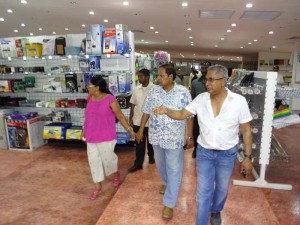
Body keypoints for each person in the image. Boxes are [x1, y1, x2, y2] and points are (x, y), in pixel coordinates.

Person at [153, 65, 253, 225]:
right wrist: (166, 110)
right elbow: (181, 114)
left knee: (221, 189)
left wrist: (247, 157)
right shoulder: (201, 99)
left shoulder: (238, 101)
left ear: (224, 81)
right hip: (205, 153)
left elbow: (247, 130)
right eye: (206, 79)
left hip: (227, 154)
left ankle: (216, 210)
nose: (207, 83)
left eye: (212, 80)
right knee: (203, 193)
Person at [136, 64, 193, 220]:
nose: (158, 78)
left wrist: (189, 136)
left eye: (161, 76)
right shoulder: (153, 92)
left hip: (175, 139)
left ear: (171, 77)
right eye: (158, 76)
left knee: (174, 169)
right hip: (156, 137)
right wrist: (141, 130)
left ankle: (169, 203)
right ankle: (166, 182)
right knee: (161, 166)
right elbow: (146, 112)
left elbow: (189, 116)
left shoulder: (183, 92)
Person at [83, 76, 135, 200]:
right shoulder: (89, 98)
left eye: (90, 86)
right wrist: (83, 131)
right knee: (93, 161)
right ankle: (98, 186)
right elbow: (88, 117)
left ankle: (115, 174)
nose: (88, 88)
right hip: (91, 136)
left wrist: (130, 130)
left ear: (97, 87)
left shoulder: (110, 99)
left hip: (106, 136)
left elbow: (121, 116)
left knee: (108, 160)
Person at [128, 69, 155, 173]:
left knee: (151, 142)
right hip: (138, 121)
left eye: (141, 76)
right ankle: (138, 164)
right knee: (139, 144)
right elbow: (133, 105)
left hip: (151, 121)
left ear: (147, 77)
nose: (139, 78)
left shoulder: (155, 89)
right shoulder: (136, 89)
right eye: (138, 76)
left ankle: (151, 155)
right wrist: (131, 118)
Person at [190, 61, 212, 158]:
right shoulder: (195, 82)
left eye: (206, 68)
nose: (204, 71)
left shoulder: (213, 83)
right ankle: (196, 148)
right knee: (196, 131)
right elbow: (192, 97)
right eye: (202, 68)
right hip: (198, 113)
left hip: (211, 113)